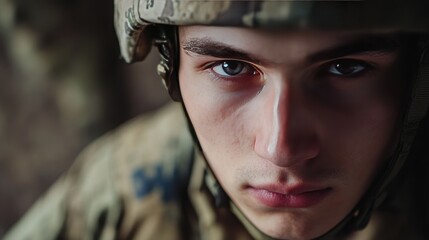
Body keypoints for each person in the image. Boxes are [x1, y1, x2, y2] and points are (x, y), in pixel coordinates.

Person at [5, 0, 429, 239]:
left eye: (345, 68)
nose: (280, 148)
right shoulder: (124, 192)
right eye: (230, 68)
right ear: (171, 67)